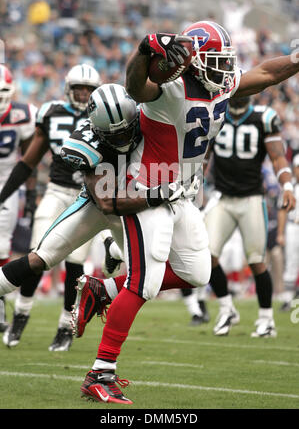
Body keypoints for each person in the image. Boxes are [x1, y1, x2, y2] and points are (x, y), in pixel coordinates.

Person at [72, 21, 299, 404]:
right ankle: (101, 372)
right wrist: (146, 50)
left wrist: (296, 59)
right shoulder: (168, 88)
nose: (225, 69)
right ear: (191, 61)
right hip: (145, 190)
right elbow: (134, 85)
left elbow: (265, 73)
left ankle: (104, 288)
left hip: (179, 194)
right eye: (216, 60)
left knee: (198, 272)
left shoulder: (221, 83)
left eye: (226, 61)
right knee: (144, 281)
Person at [0, 63, 101, 351]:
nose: (83, 94)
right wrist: (4, 196)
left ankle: (64, 326)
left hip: (87, 196)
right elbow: (28, 162)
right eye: (79, 89)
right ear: (68, 89)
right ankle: (21, 312)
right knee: (37, 252)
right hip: (56, 191)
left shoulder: (103, 115)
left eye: (88, 90)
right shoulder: (52, 112)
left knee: (75, 263)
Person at [204, 95, 296, 337]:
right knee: (207, 255)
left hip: (252, 198)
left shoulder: (263, 118)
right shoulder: (215, 114)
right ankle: (226, 308)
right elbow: (203, 157)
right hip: (222, 197)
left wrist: (287, 186)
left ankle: (266, 319)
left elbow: (277, 158)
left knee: (256, 260)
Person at [0, 64, 37, 333]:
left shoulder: (23, 115)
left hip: (6, 184)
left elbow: (29, 158)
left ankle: (0, 303)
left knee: (1, 246)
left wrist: (32, 195)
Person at [276, 153, 299, 311]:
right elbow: (282, 211)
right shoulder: (291, 188)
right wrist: (280, 233)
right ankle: (288, 299)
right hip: (293, 227)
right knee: (291, 262)